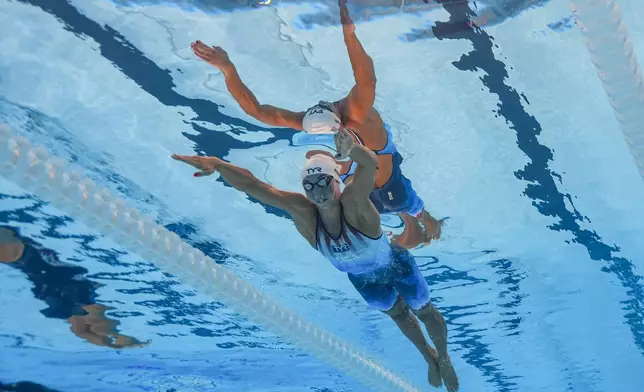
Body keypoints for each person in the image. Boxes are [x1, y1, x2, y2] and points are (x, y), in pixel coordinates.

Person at [171, 129, 459, 391]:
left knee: (424, 309)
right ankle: (428, 356)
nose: (317, 190)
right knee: (397, 313)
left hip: (393, 264)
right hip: (362, 279)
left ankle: (444, 357)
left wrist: (352, 152)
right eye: (310, 184)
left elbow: (370, 165)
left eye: (323, 181)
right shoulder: (304, 212)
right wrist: (219, 165)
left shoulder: (354, 204)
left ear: (336, 183)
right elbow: (254, 186)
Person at [190, 0, 443, 250]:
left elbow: (258, 112)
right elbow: (366, 81)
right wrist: (228, 68)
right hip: (386, 188)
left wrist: (229, 70)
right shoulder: (345, 114)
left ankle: (418, 223)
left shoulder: (357, 115)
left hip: (382, 191)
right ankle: (419, 224)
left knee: (406, 209)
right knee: (408, 209)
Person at [0, 226, 148, 349]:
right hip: (60, 283)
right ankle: (117, 341)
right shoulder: (19, 250)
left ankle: (117, 341)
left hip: (55, 285)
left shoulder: (17, 251)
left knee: (83, 325)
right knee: (85, 323)